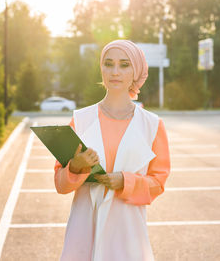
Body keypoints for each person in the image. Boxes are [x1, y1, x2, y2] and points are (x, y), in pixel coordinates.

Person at [54, 39, 171, 261]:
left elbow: (158, 183)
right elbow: (60, 183)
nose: (115, 72)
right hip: (84, 229)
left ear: (136, 71)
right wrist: (76, 167)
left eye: (124, 65)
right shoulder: (81, 120)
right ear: (102, 69)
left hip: (127, 234)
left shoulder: (153, 125)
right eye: (109, 64)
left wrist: (126, 182)